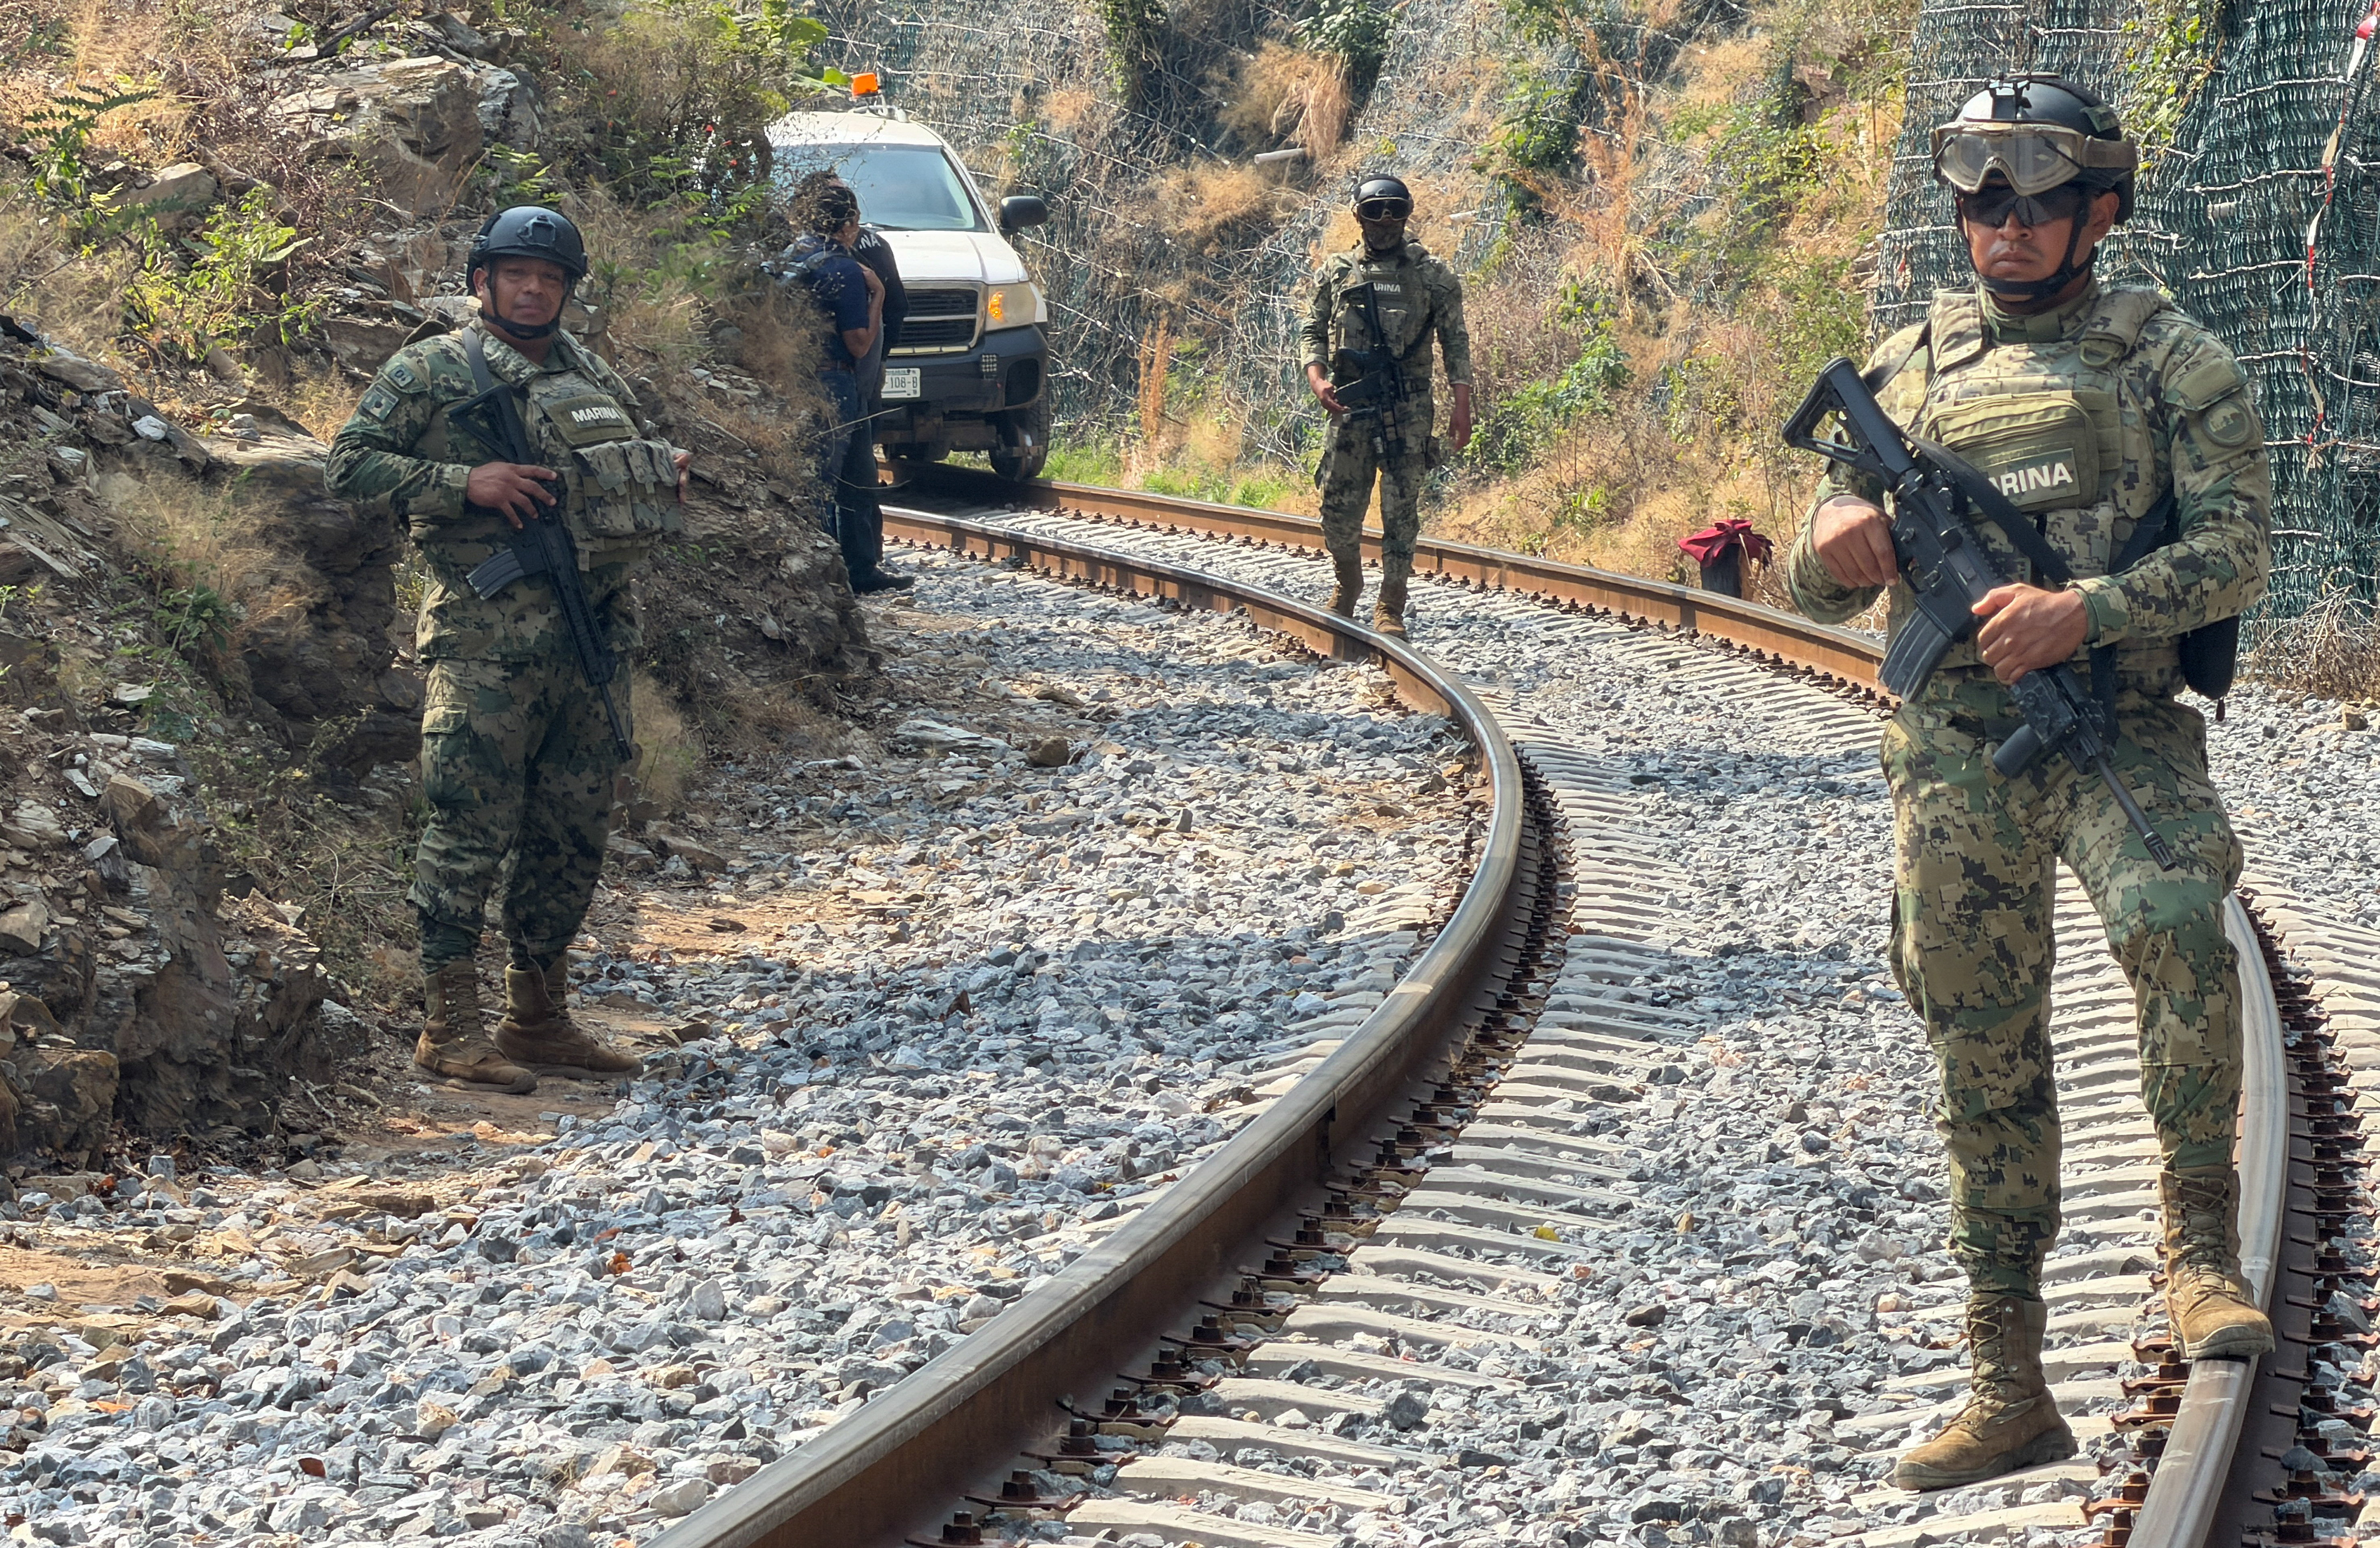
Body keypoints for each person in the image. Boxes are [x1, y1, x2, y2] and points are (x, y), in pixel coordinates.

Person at [1785, 76, 2274, 1491]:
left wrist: (2096, 609)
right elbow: (1807, 577)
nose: (1999, 221)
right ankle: (2008, 1375)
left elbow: (2241, 552)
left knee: (2181, 912)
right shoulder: (1910, 363)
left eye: (2035, 194)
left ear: (2099, 212)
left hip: (2113, 719)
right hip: (1950, 748)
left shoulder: (2175, 362)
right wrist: (1838, 535)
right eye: (1978, 192)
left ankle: (2196, 1250)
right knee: (1974, 1025)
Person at [326, 206, 687, 1092]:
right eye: (516, 274)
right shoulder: (431, 368)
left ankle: (538, 1017)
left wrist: (655, 475)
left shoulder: (592, 372)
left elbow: (629, 464)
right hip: (484, 650)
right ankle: (448, 1028)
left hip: (590, 641)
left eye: (550, 278)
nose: (533, 290)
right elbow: (347, 464)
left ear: (567, 291)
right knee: (466, 829)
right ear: (482, 281)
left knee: (569, 835)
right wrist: (462, 481)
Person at [1298, 174, 1472, 636]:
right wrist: (1317, 379)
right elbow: (1312, 330)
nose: (1385, 221)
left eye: (1395, 210)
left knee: (1400, 509)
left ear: (1408, 213)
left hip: (1408, 408)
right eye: (1374, 211)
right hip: (1350, 407)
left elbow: (1455, 341)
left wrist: (1461, 404)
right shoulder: (1336, 272)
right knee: (1337, 509)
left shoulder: (1433, 275)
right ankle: (1347, 583)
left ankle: (1390, 604)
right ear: (1357, 216)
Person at [779, 179, 908, 593]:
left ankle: (857, 568)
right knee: (831, 480)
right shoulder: (845, 269)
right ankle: (831, 576)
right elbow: (858, 342)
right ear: (849, 223)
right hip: (835, 378)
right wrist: (878, 295)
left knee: (851, 471)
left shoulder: (791, 257)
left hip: (795, 376)